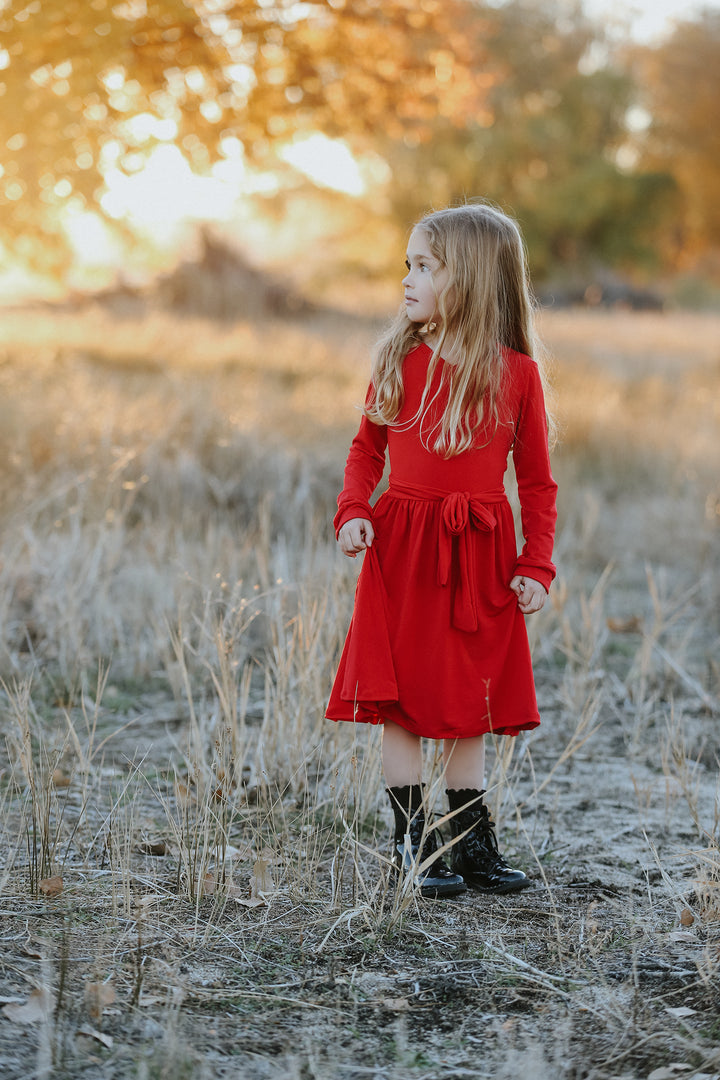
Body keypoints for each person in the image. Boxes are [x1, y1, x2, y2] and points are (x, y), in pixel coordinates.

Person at [326, 202, 557, 899]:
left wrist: (535, 562)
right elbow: (366, 451)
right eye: (408, 265)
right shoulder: (398, 357)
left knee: (471, 696)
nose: (408, 279)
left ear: (474, 279)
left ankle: (469, 843)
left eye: (425, 266)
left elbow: (538, 482)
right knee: (401, 701)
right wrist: (353, 511)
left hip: (480, 555)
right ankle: (412, 843)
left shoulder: (517, 375)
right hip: (402, 549)